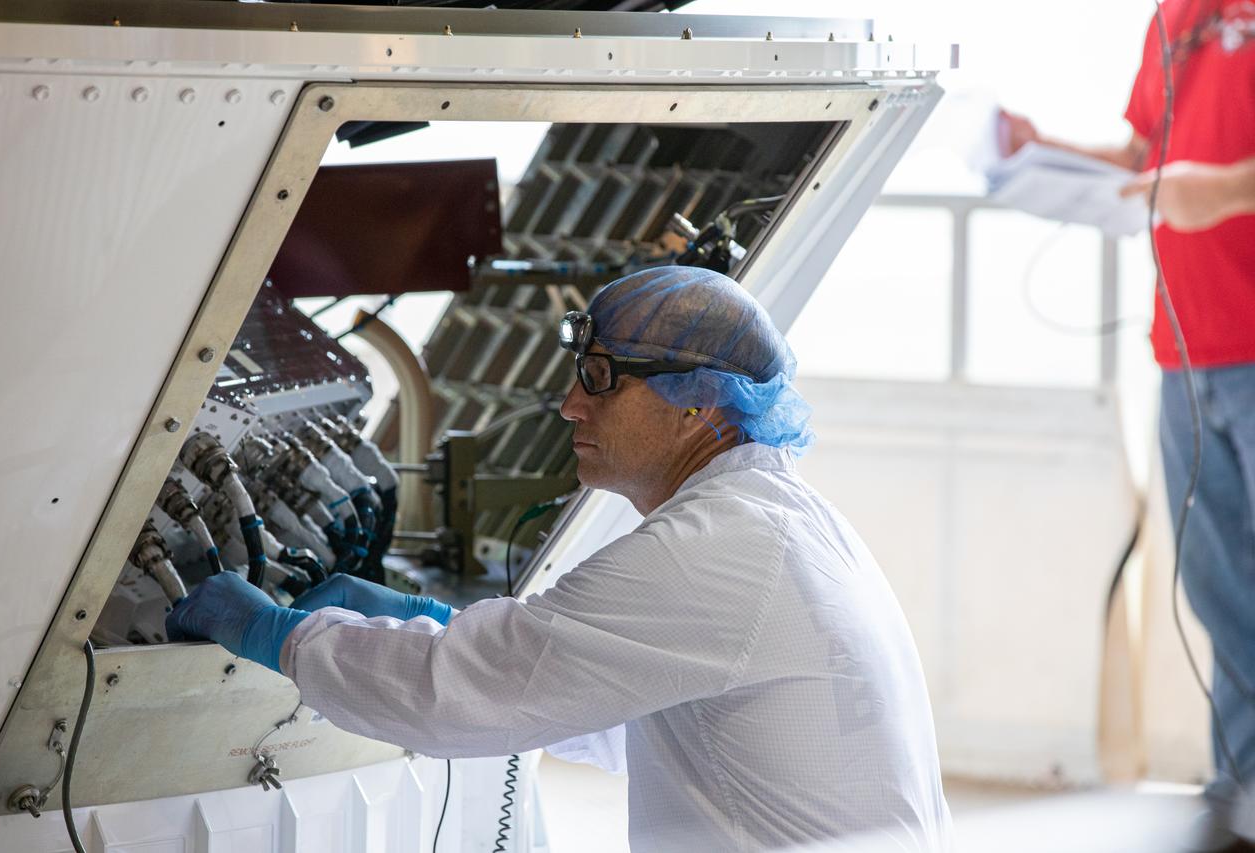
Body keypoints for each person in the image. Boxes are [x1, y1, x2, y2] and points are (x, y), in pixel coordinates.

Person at [168, 266, 952, 852]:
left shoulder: (713, 552)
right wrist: (449, 623)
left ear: (699, 401)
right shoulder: (781, 519)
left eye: (602, 379)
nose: (571, 403)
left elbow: (449, 699)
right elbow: (625, 713)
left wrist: (274, 632)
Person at [1002, 0, 1255, 846]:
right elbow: (1148, 156)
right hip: (1187, 351)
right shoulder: (1173, 17)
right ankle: (1242, 798)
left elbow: (1208, 175)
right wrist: (1044, 148)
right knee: (1222, 600)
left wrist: (1223, 190)